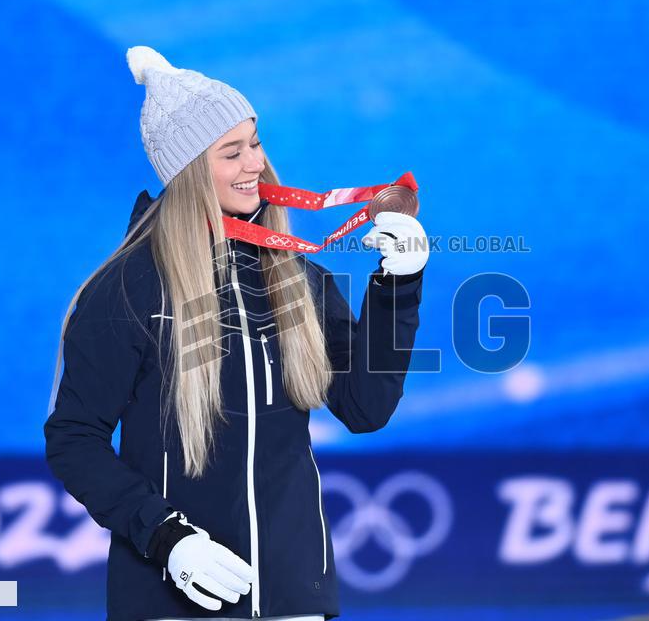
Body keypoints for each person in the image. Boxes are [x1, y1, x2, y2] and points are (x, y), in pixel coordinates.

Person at [44, 46, 428, 621]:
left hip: (293, 599)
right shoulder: (129, 289)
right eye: (232, 152)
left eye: (255, 142)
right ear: (188, 172)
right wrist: (168, 539)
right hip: (173, 598)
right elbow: (74, 438)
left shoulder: (299, 280)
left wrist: (399, 285)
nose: (255, 164)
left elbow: (364, 407)